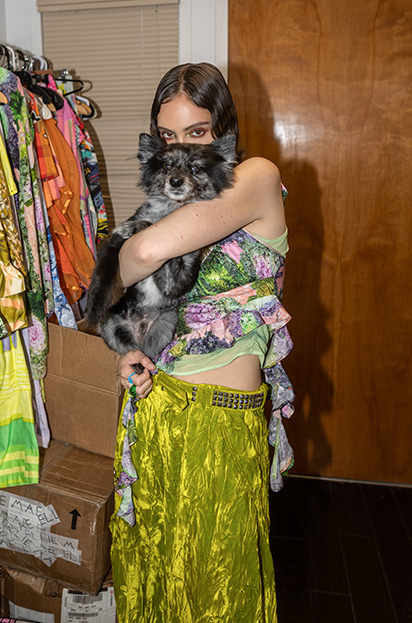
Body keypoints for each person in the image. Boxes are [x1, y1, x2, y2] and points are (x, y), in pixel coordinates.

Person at [107, 62, 295, 622]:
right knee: (160, 572)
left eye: (198, 132)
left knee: (219, 586)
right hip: (158, 402)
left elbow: (135, 256)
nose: (182, 149)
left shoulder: (255, 175)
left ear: (225, 129)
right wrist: (132, 349)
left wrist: (134, 251)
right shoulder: (181, 198)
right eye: (168, 136)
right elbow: (145, 292)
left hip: (218, 418)